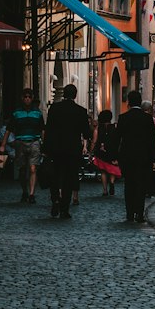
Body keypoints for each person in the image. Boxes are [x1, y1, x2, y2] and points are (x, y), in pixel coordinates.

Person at [41, 84, 90, 219]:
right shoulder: (80, 111)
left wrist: (46, 149)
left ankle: (55, 199)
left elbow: (49, 129)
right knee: (69, 178)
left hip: (56, 149)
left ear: (64, 94)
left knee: (55, 176)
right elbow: (86, 132)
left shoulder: (54, 109)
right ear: (75, 95)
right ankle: (64, 208)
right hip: (72, 150)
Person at [116, 89, 155, 223]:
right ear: (140, 102)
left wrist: (116, 156)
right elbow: (152, 140)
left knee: (129, 185)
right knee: (141, 185)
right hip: (144, 157)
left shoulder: (123, 118)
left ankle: (130, 214)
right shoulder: (147, 119)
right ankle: (139, 214)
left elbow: (118, 137)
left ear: (129, 102)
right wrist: (153, 158)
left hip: (128, 157)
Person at [0, 89, 44, 204]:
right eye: (25, 97)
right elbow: (8, 129)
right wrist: (3, 145)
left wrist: (44, 144)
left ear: (32, 98)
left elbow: (43, 130)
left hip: (34, 141)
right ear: (22, 98)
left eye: (29, 97)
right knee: (22, 170)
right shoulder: (17, 113)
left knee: (33, 168)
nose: (27, 99)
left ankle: (32, 193)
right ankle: (25, 191)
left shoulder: (37, 113)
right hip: (20, 142)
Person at [92, 108, 121, 197]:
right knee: (112, 168)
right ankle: (112, 182)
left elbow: (94, 141)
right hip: (112, 151)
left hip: (101, 152)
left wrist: (91, 151)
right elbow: (118, 140)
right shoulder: (115, 127)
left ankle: (105, 190)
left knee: (103, 171)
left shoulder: (98, 128)